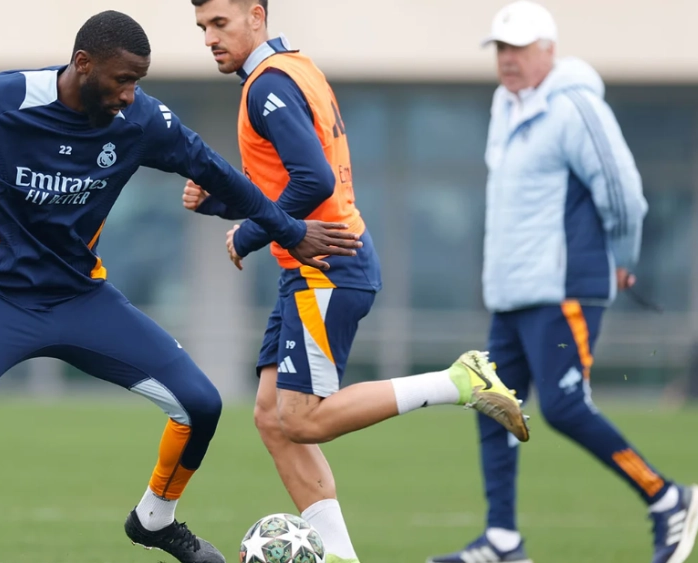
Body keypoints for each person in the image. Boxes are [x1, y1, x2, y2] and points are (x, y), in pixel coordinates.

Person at [0, 10, 366, 563]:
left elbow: (217, 173)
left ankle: (155, 519)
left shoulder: (142, 121)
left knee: (201, 403)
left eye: (139, 81)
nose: (132, 95)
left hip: (80, 297)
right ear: (83, 65)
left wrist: (288, 229)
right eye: (123, 80)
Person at [185, 2, 530, 562]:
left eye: (219, 24)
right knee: (273, 419)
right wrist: (221, 203)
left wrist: (247, 233)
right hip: (313, 266)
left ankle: (458, 382)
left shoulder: (268, 87)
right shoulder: (297, 69)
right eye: (202, 28)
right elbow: (286, 184)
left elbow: (312, 180)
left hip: (327, 266)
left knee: (300, 418)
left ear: (255, 15)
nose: (209, 39)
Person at [427, 3, 698, 563]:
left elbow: (623, 189)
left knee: (562, 407)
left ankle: (667, 497)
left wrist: (624, 255)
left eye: (520, 48)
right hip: (511, 292)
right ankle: (503, 540)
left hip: (563, 289)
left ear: (549, 51)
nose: (508, 60)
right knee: (491, 401)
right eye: (501, 49)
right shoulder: (505, 105)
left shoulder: (576, 105)